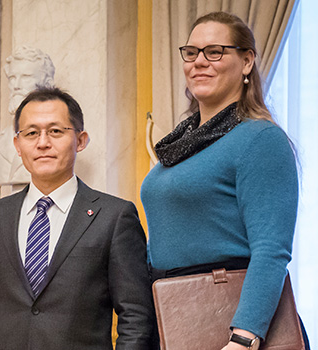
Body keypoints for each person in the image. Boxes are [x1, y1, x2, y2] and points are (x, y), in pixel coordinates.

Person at [142, 12, 307, 350]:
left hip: (233, 326)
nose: (199, 62)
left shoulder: (260, 138)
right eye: (191, 52)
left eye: (214, 52)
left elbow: (271, 251)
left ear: (247, 61)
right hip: (173, 317)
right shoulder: (179, 146)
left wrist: (244, 338)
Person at [0, 87, 155, 349]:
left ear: (81, 140)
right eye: (31, 133)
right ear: (18, 145)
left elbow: (137, 317)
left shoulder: (114, 217)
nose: (42, 143)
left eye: (55, 131)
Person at [0, 45, 55, 186]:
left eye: (26, 77)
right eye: (12, 78)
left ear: (47, 84)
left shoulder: (57, 141)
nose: (16, 85)